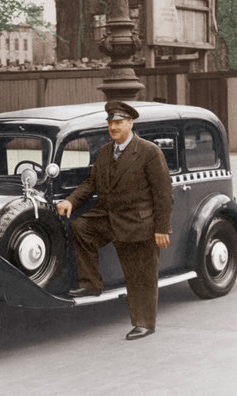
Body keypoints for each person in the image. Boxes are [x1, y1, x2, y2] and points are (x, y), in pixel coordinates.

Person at [56, 100, 174, 340]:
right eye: (111, 123)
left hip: (138, 222)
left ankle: (144, 323)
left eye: (119, 122)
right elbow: (91, 183)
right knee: (81, 226)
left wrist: (162, 229)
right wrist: (70, 201)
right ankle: (91, 283)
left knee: (140, 274)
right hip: (110, 217)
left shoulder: (149, 152)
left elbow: (163, 193)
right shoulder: (105, 152)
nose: (113, 127)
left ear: (130, 123)